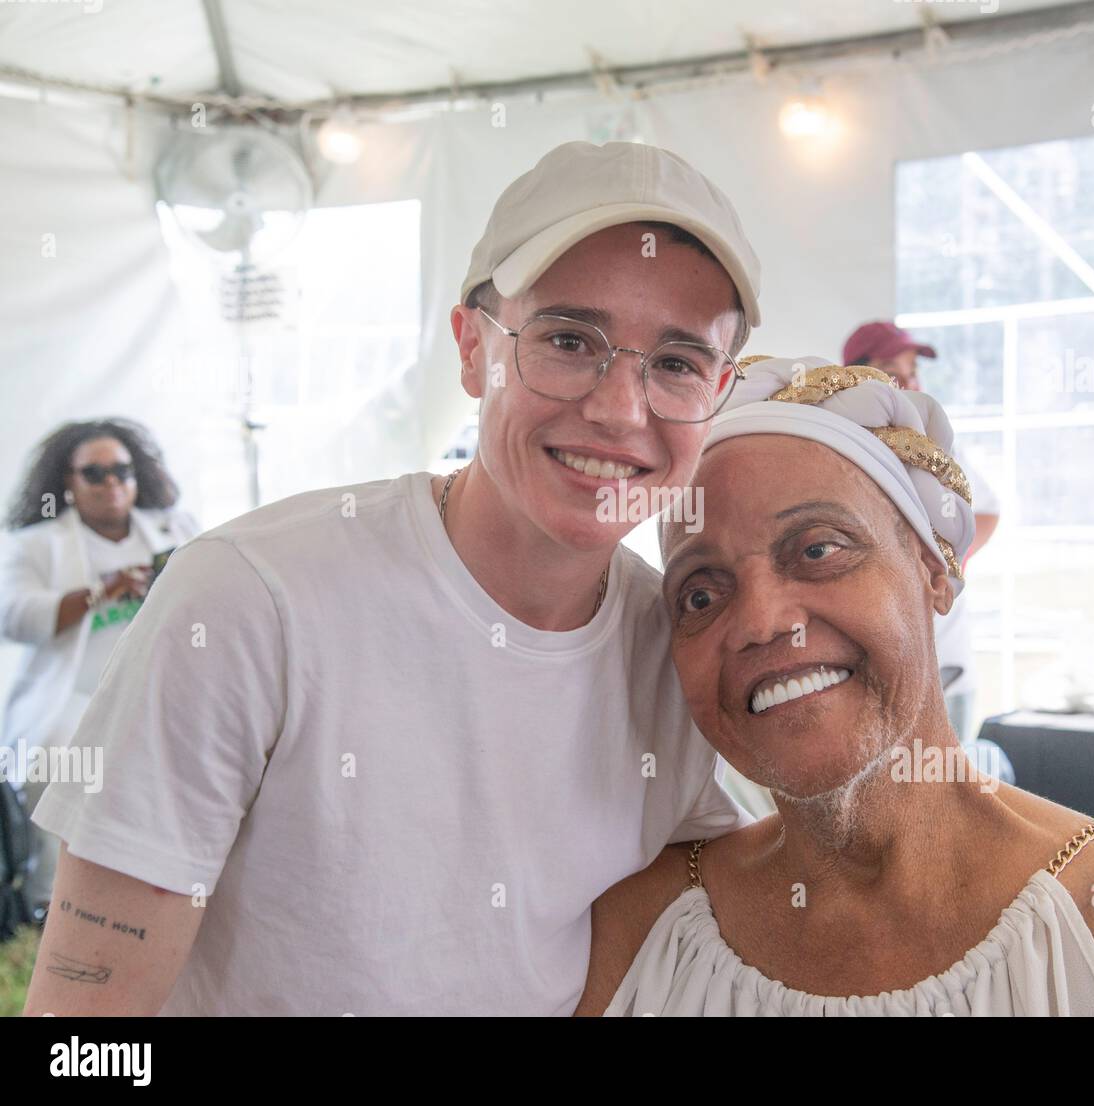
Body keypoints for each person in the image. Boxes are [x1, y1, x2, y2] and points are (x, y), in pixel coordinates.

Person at [22, 140, 762, 1016]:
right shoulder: (249, 600)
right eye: (569, 339)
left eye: (676, 363)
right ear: (469, 346)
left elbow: (744, 872)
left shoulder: (679, 653)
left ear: (719, 393)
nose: (618, 408)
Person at [576, 356, 1094, 1016]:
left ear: (935, 570)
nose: (761, 621)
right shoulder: (640, 930)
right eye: (700, 594)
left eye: (819, 549)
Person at [0, 420, 201, 923]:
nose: (111, 482)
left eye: (122, 470)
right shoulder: (37, 543)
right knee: (52, 762)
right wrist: (101, 591)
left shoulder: (176, 529)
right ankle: (50, 899)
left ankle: (183, 884)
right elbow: (15, 617)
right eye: (94, 473)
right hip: (73, 693)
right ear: (68, 480)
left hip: (163, 683)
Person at [844, 322, 1005, 773]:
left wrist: (946, 560)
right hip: (879, 664)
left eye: (912, 372)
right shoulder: (839, 450)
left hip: (948, 660)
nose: (909, 384)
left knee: (948, 783)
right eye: (893, 372)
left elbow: (987, 513)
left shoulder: (935, 444)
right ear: (853, 376)